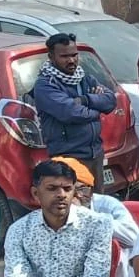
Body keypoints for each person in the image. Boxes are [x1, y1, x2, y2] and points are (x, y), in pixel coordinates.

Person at [53, 156, 139, 277]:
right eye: (70, 190)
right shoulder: (51, 213)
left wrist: (85, 215)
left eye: (81, 189)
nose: (76, 196)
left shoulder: (105, 205)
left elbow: (133, 237)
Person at [34, 32, 116, 188]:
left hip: (95, 153)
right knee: (77, 201)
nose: (71, 60)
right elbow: (71, 113)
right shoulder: (46, 85)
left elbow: (110, 101)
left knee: (97, 200)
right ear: (51, 57)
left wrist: (86, 100)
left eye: (74, 55)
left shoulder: (85, 78)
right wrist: (97, 110)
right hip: (69, 157)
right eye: (64, 56)